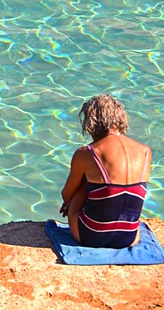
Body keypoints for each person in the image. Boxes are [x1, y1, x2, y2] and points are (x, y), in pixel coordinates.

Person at [59, 94, 152, 248]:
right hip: (129, 238)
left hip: (91, 236)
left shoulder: (87, 152)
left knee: (85, 183)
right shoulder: (145, 151)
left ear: (91, 122)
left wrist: (77, 194)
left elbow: (66, 195)